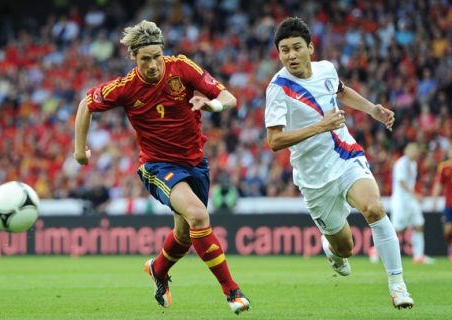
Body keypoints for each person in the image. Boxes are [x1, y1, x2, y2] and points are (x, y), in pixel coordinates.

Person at [74, 20, 250, 314]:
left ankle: (158, 268)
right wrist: (80, 151)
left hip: (195, 165)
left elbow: (228, 98)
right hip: (158, 166)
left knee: (184, 234)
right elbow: (85, 104)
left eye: (157, 56)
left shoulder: (182, 68)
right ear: (134, 57)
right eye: (146, 59)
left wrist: (213, 106)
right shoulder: (127, 87)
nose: (154, 64)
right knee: (198, 215)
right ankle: (232, 291)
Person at [264, 17, 413, 309]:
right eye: (284, 50)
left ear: (310, 48)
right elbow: (274, 141)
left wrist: (372, 110)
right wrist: (320, 126)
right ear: (279, 54)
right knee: (346, 247)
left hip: (344, 155)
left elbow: (341, 91)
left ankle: (397, 285)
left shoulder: (327, 69)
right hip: (313, 178)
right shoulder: (278, 88)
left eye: (296, 48)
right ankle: (332, 249)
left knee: (373, 208)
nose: (291, 55)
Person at [391, 142, 434, 264]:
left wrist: (414, 196)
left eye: (416, 150)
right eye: (413, 150)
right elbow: (402, 182)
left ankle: (418, 256)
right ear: (406, 151)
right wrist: (415, 195)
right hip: (401, 201)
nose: (416, 152)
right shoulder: (401, 163)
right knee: (397, 230)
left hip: (410, 201)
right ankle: (376, 250)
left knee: (419, 224)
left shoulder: (413, 164)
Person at [432, 144, 452, 261]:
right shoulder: (444, 167)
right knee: (448, 231)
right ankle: (450, 246)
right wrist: (434, 198)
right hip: (449, 204)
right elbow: (439, 184)